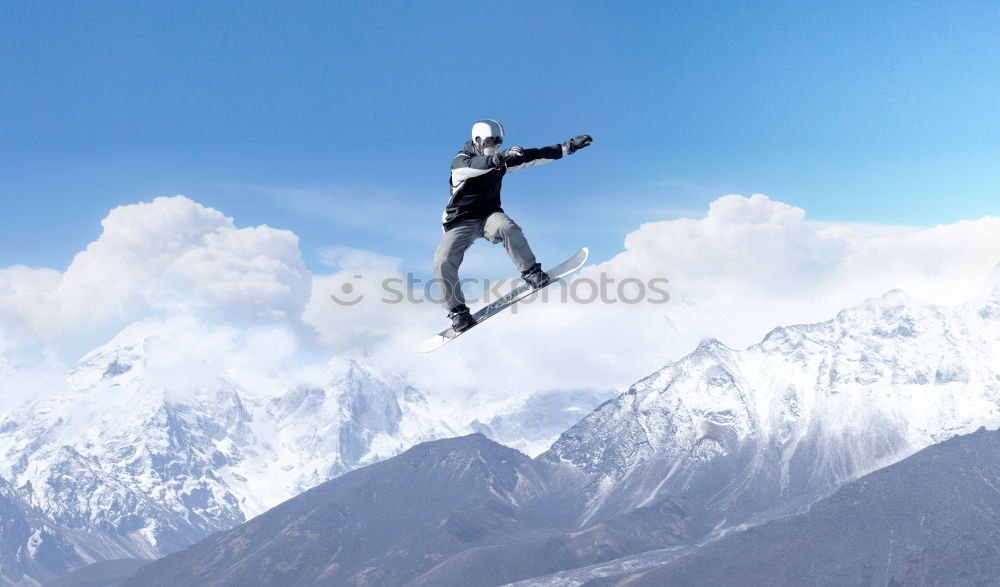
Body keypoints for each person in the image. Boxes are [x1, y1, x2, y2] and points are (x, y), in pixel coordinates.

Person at [433, 119, 592, 332]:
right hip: (460, 222)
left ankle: (531, 271)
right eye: (492, 141)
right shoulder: (461, 162)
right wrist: (500, 157)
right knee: (442, 260)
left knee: (508, 227)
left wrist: (568, 147)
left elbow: (536, 155)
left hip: (489, 216)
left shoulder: (501, 161)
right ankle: (457, 311)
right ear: (478, 141)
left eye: (499, 142)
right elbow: (477, 166)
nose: (496, 146)